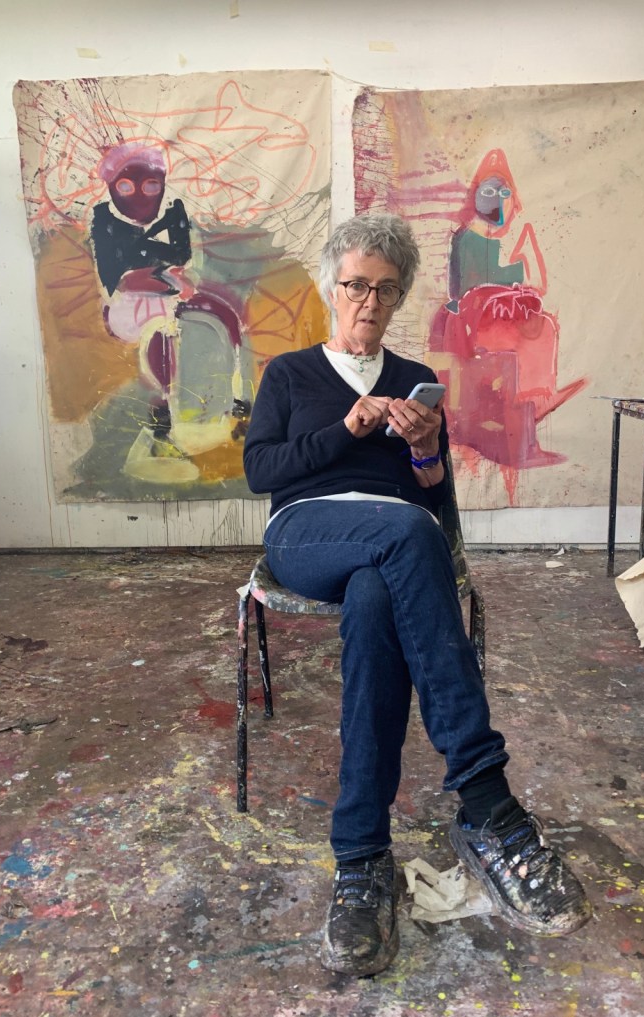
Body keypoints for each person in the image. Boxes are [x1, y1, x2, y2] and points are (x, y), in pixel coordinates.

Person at [242, 213, 592, 977]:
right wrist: (348, 428)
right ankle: (488, 803)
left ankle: (361, 855)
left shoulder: (412, 378)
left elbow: (432, 498)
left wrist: (428, 448)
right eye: (356, 286)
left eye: (386, 289)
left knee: (378, 598)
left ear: (399, 297)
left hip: (393, 545)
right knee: (406, 537)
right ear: (332, 287)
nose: (369, 302)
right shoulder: (290, 374)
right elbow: (261, 472)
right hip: (307, 534)